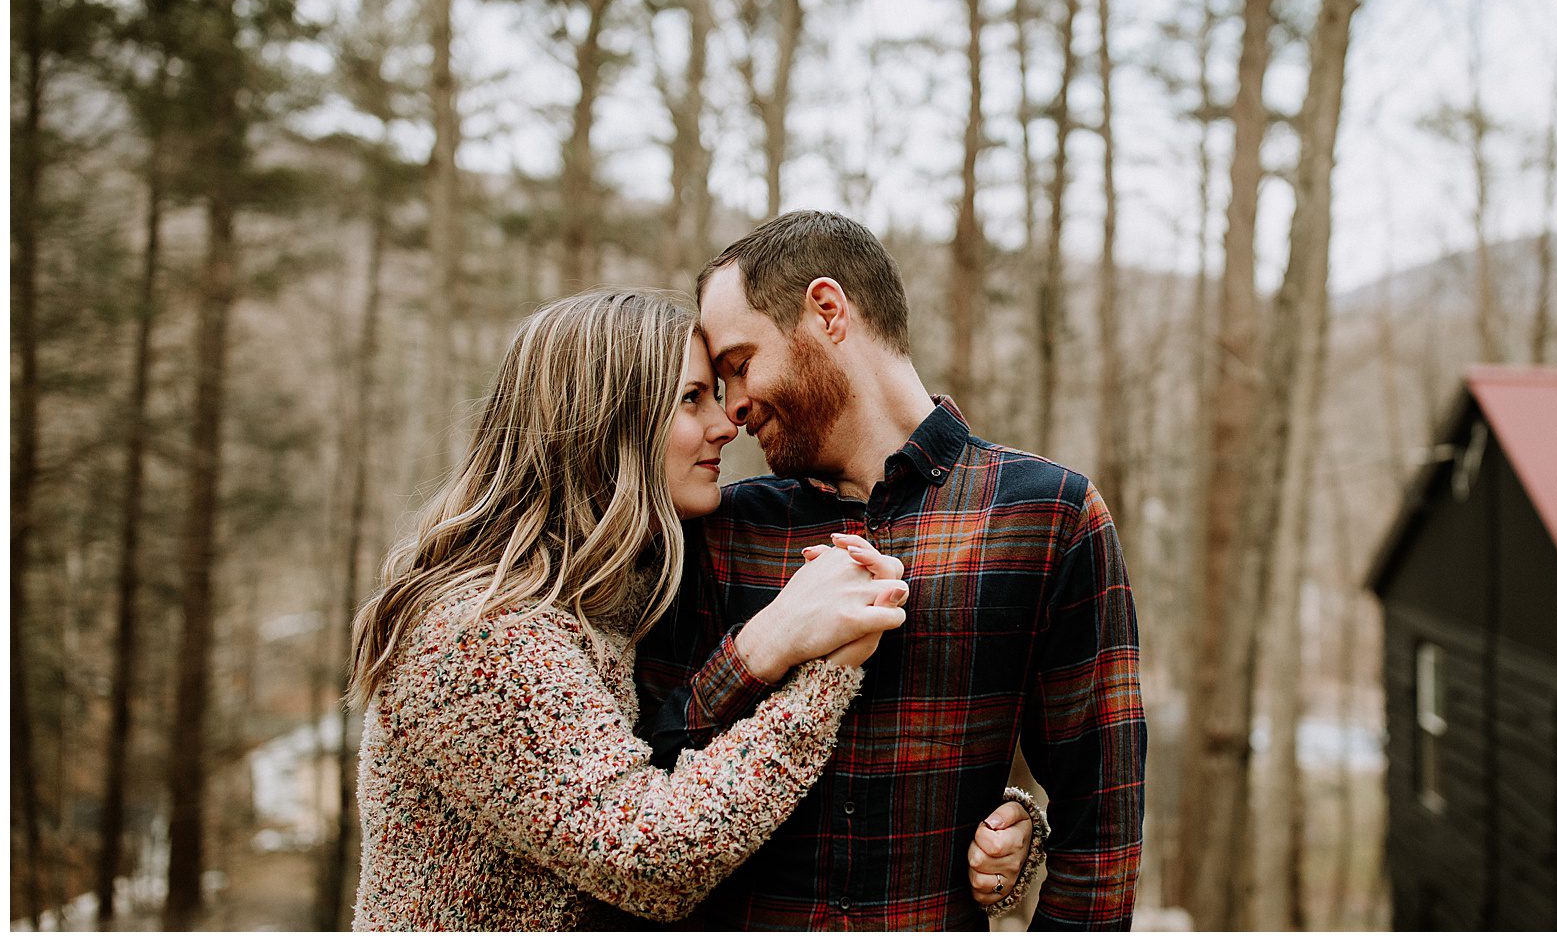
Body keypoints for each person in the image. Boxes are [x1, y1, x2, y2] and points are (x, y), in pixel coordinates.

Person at [345, 290, 1033, 930]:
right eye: (692, 398)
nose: (725, 422)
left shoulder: (609, 596)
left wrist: (1000, 820)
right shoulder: (481, 632)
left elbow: (643, 767)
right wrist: (822, 667)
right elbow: (653, 856)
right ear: (607, 422)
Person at [636, 211, 1147, 930]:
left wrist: (1018, 825)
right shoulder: (717, 530)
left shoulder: (1048, 517)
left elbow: (1102, 832)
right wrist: (761, 647)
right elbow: (634, 787)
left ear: (827, 311)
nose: (735, 409)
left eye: (740, 366)